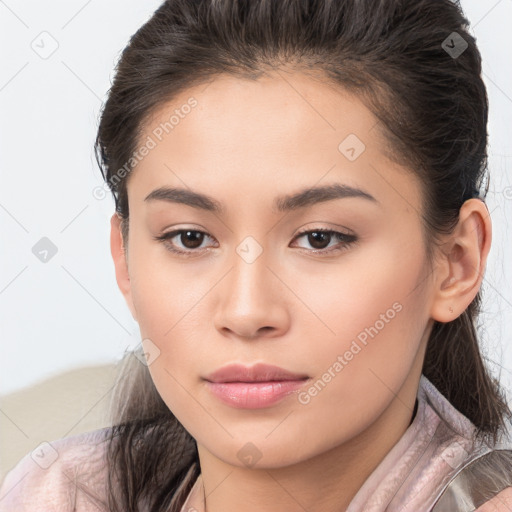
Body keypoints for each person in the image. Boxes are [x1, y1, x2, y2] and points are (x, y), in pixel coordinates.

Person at [1, 0, 512, 510]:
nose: (246, 312)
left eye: (320, 238)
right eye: (189, 238)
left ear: (456, 262)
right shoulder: (56, 493)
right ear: (125, 260)